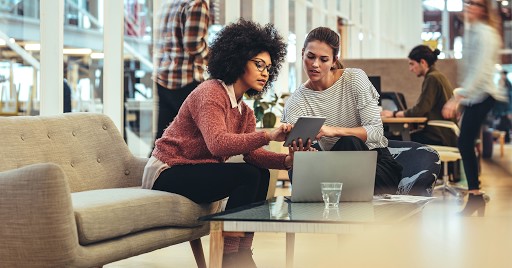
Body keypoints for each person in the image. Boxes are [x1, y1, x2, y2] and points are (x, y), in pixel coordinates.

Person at [142, 19, 310, 267]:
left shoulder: (245, 111)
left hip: (195, 169)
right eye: (258, 64)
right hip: (169, 171)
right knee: (247, 175)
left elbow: (253, 155)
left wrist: (287, 161)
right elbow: (218, 145)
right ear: (238, 60)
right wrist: (268, 135)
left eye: (268, 67)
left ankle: (242, 250)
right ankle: (229, 256)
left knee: (259, 173)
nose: (265, 72)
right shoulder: (210, 92)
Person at [282, 27, 403, 195]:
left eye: (323, 59)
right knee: (298, 169)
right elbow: (301, 154)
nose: (315, 64)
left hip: (376, 167)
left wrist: (331, 131)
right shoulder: (296, 101)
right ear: (302, 53)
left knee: (349, 142)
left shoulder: (354, 79)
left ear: (334, 61)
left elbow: (376, 131)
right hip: (334, 169)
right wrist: (302, 152)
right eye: (310, 57)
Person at [442, 0, 506, 213]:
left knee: (465, 142)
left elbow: (478, 71)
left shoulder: (485, 33)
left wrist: (458, 97)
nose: (470, 7)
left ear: (484, 9)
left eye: (476, 4)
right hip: (475, 96)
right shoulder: (471, 31)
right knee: (466, 143)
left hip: (483, 95)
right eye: (468, 2)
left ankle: (476, 196)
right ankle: (476, 196)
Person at [153, 0, 210, 147]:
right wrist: (213, 57)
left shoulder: (169, 3)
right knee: (194, 141)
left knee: (163, 138)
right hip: (186, 80)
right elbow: (193, 44)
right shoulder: (197, 3)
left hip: (164, 78)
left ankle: (152, 169)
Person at [381, 45, 457, 147]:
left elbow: (420, 110)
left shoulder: (432, 78)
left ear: (423, 62)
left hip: (438, 135)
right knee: (397, 139)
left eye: (412, 64)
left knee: (390, 141)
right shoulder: (437, 76)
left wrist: (394, 114)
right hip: (445, 133)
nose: (410, 69)